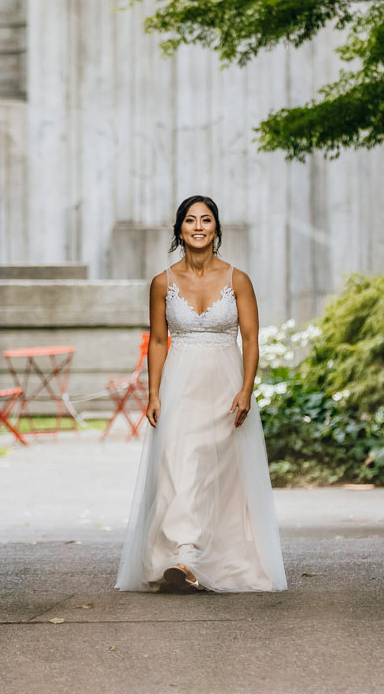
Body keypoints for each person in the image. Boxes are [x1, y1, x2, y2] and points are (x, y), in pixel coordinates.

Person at [114, 196, 286, 594]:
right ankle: (183, 555)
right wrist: (154, 393)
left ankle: (213, 557)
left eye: (206, 220)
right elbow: (159, 341)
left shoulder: (237, 279)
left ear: (216, 229)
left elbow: (251, 339)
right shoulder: (162, 282)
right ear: (179, 230)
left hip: (225, 385)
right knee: (179, 464)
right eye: (190, 220)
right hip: (180, 384)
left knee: (218, 475)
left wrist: (246, 388)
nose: (198, 226)